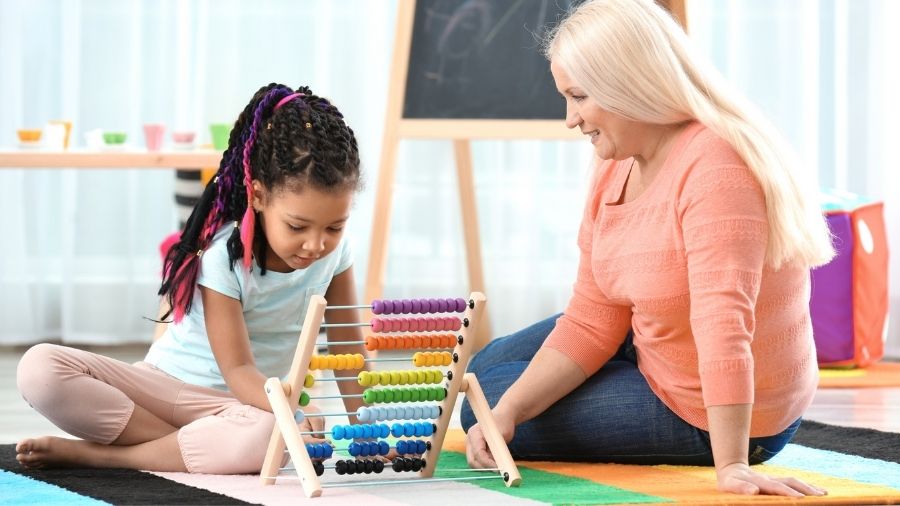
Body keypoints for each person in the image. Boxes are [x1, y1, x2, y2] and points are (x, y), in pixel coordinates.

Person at [461, 0, 834, 498]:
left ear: (628, 86)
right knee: (482, 383)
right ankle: (587, 380)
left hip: (720, 411)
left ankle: (705, 431)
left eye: (578, 97)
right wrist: (507, 411)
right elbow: (594, 315)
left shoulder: (718, 169)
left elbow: (724, 324)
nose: (570, 120)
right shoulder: (618, 158)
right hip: (655, 342)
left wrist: (733, 465)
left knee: (477, 405)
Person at [16, 83, 367, 474]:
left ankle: (105, 456)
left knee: (270, 434)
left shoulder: (338, 254)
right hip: (165, 388)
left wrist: (369, 430)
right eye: (297, 226)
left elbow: (348, 351)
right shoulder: (224, 257)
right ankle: (180, 447)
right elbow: (237, 370)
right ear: (258, 196)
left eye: (334, 227)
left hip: (243, 409)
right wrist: (292, 406)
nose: (316, 244)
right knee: (40, 369)